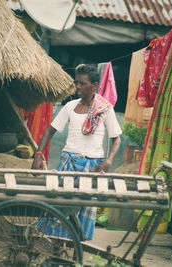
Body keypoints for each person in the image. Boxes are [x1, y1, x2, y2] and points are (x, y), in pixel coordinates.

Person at [31, 64, 122, 240]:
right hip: (68, 163)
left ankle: (75, 252)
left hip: (93, 166)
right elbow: (50, 130)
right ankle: (57, 247)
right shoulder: (69, 106)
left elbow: (116, 139)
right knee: (59, 205)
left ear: (94, 85)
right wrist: (38, 154)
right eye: (76, 82)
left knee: (83, 209)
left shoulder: (105, 109)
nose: (78, 87)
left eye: (82, 83)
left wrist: (109, 160)